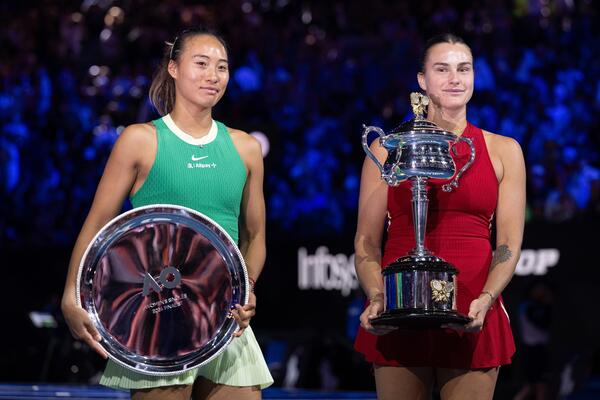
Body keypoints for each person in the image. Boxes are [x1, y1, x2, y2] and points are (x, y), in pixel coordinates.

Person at [60, 28, 273, 400]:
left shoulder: (247, 148)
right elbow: (97, 226)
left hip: (226, 320)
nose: (213, 75)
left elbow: (254, 237)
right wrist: (71, 297)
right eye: (201, 63)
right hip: (157, 318)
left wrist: (247, 288)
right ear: (173, 68)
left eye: (222, 67)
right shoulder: (139, 140)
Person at [353, 33, 526, 399]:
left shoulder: (504, 151)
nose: (455, 79)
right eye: (442, 69)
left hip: (473, 306)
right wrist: (377, 296)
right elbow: (366, 241)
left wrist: (487, 297)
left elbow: (508, 244)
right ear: (422, 79)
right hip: (400, 306)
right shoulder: (386, 149)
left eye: (464, 69)